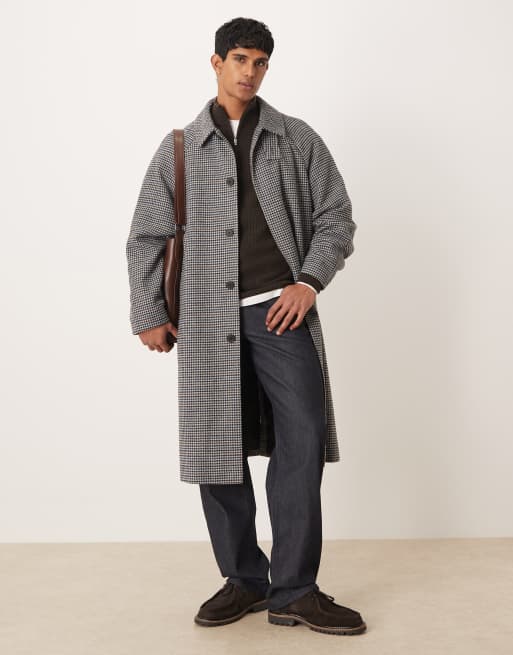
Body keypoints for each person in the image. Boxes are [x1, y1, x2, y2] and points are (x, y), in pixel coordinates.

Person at [125, 16, 366, 636]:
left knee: (302, 440)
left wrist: (308, 281)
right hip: (206, 319)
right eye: (239, 59)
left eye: (260, 62)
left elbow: (336, 216)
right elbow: (147, 235)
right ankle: (243, 579)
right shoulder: (181, 147)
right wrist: (150, 313)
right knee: (217, 452)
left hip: (281, 313)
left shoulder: (295, 138)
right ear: (216, 62)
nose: (250, 72)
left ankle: (295, 590)